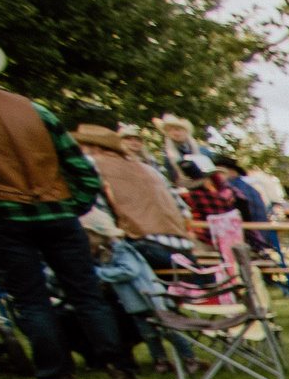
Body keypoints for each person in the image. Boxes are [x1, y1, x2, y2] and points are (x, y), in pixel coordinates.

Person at [0, 39, 144, 379]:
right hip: (57, 214)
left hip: (0, 217)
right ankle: (121, 370)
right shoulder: (35, 110)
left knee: (31, 300)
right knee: (87, 294)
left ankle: (57, 378)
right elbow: (83, 173)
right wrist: (73, 207)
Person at [71, 112, 199, 272]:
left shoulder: (92, 165)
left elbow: (95, 214)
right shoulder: (151, 170)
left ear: (94, 147)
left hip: (142, 250)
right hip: (184, 252)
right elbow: (184, 211)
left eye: (81, 146)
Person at [150, 114, 214, 190]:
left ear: (185, 131)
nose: (174, 133)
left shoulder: (202, 150)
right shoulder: (169, 155)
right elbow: (174, 178)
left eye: (177, 129)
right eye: (169, 130)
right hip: (190, 191)